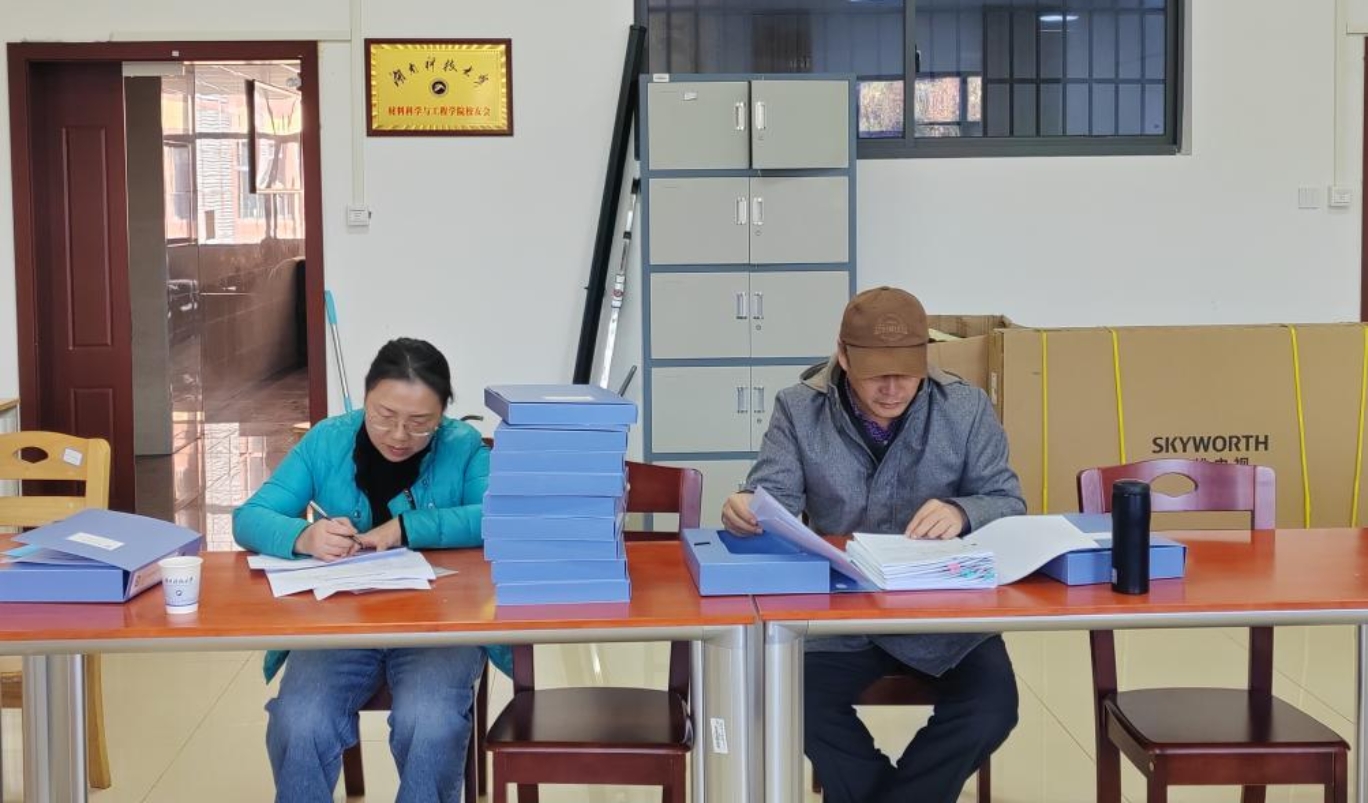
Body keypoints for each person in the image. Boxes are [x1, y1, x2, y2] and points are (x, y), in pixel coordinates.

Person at [721, 287, 1026, 803]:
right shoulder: (799, 408)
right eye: (876, 375)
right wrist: (747, 506)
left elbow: (1007, 501)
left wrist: (963, 511)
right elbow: (775, 497)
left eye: (906, 373)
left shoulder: (965, 406)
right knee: (788, 701)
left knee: (992, 708)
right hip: (841, 617)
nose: (892, 389)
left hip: (946, 616)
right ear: (843, 355)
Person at [234, 337, 490, 803]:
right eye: (384, 416)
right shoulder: (327, 440)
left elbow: (496, 519)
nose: (399, 436)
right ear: (365, 397)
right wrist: (304, 536)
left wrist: (407, 527)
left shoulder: (464, 446)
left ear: (443, 414)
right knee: (300, 721)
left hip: (439, 625)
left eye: (420, 423)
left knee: (430, 721)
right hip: (342, 624)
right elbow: (249, 518)